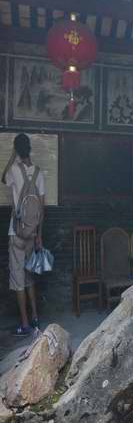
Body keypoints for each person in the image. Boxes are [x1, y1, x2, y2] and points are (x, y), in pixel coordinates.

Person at [1, 133, 45, 336]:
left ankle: (25, 324)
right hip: (33, 234)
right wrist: (39, 235)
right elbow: (42, 209)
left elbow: (3, 178)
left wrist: (12, 155)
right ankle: (36, 319)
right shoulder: (39, 173)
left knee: (18, 279)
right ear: (30, 149)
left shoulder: (13, 170)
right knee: (29, 278)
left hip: (16, 233)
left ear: (17, 150)